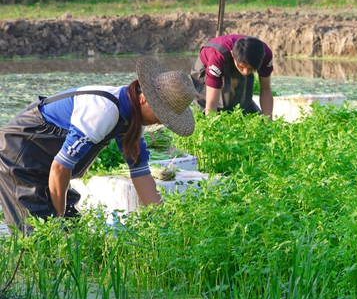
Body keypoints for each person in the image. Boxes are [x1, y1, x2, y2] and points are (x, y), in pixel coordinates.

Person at [0, 57, 196, 234]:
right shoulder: (104, 110)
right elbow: (60, 168)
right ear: (144, 98)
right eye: (160, 114)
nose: (161, 123)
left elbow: (141, 174)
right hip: (19, 157)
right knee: (40, 238)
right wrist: (58, 220)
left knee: (73, 234)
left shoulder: (131, 119)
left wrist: (164, 224)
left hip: (45, 166)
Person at [190, 34, 274, 118]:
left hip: (239, 60)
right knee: (205, 108)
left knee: (243, 105)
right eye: (241, 67)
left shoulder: (265, 55)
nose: (245, 72)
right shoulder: (217, 56)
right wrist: (211, 127)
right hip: (206, 67)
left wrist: (269, 123)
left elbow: (265, 90)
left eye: (251, 69)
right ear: (232, 54)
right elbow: (211, 104)